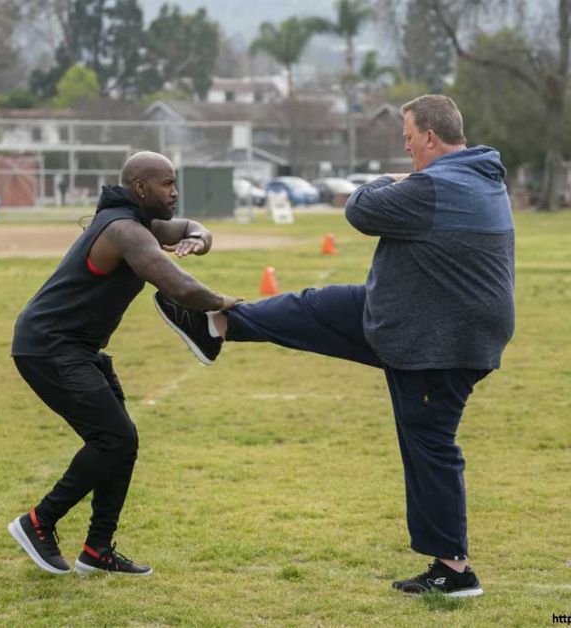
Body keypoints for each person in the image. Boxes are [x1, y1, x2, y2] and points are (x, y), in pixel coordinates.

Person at [154, 95, 512, 598]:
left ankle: (454, 571)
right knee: (314, 307)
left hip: (436, 340)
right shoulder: (482, 176)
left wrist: (394, 180)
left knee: (430, 444)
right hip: (413, 314)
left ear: (431, 137)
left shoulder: (435, 186)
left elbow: (359, 209)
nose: (405, 145)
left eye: (408, 136)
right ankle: (216, 326)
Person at [8, 151, 242, 576]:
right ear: (140, 188)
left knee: (122, 443)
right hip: (48, 346)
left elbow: (192, 228)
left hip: (77, 348)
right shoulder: (123, 231)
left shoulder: (140, 224)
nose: (174, 192)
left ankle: (97, 549)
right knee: (114, 440)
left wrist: (199, 238)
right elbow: (178, 285)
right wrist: (225, 304)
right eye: (166, 184)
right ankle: (39, 521)